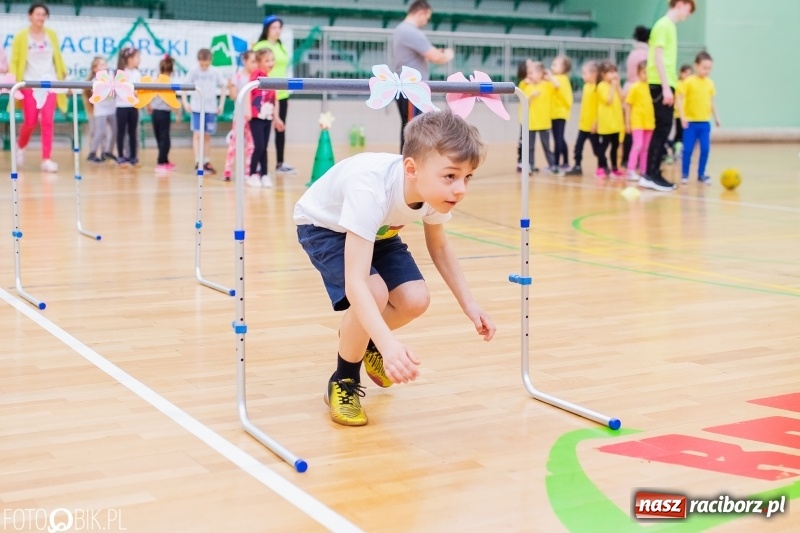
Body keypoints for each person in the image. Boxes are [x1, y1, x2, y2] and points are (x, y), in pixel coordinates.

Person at [294, 110, 496, 426]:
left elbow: (439, 246)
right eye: (451, 176)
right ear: (411, 169)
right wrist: (389, 345)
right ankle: (343, 380)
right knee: (371, 293)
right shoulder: (371, 189)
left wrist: (470, 305)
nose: (460, 189)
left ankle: (364, 337)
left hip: (379, 230)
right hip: (324, 227)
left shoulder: (433, 191)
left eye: (467, 177)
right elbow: (356, 283)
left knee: (416, 299)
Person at [639, 0, 696, 192]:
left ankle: (651, 173)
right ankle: (651, 174)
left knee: (663, 128)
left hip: (665, 82)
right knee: (662, 128)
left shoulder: (668, 26)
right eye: (689, 10)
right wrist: (665, 87)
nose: (688, 15)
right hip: (660, 83)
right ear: (681, 3)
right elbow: (658, 57)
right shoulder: (664, 25)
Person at [10, 2, 67, 172]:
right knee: (30, 121)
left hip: (49, 84)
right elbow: (15, 60)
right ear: (30, 16)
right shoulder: (21, 36)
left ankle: (46, 159)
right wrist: (13, 78)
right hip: (29, 84)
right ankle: (20, 146)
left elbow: (57, 56)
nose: (41, 17)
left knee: (48, 121)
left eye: (43, 15)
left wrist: (63, 72)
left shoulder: (51, 35)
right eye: (38, 14)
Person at [392, 0, 454, 151]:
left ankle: (409, 160)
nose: (427, 21)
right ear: (421, 13)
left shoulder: (401, 30)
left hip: (405, 86)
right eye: (427, 17)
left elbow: (422, 54)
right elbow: (436, 57)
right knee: (414, 127)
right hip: (411, 88)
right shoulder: (411, 32)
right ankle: (410, 161)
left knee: (411, 126)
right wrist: (448, 54)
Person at [253, 15, 295, 175]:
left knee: (281, 128)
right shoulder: (260, 46)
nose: (278, 31)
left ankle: (280, 163)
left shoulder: (280, 45)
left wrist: (285, 94)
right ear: (267, 29)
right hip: (265, 94)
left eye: (279, 27)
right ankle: (257, 165)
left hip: (282, 93)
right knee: (261, 130)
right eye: (274, 27)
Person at [678, 51, 720, 185]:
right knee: (688, 149)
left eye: (709, 68)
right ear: (696, 66)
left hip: (704, 123)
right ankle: (685, 174)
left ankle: (701, 174)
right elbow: (679, 98)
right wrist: (682, 117)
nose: (707, 71)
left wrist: (716, 117)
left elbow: (711, 101)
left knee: (706, 149)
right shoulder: (688, 82)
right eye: (704, 67)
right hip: (690, 123)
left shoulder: (710, 83)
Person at [182, 48, 227, 174]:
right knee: (197, 134)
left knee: (207, 135)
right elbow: (184, 85)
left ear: (210, 61)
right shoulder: (193, 71)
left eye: (206, 64)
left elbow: (223, 85)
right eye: (202, 64)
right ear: (198, 61)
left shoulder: (214, 71)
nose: (204, 67)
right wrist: (185, 102)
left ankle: (206, 161)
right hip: (197, 107)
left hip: (210, 107)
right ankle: (198, 162)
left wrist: (221, 104)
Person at [246, 48, 284, 188]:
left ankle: (265, 174)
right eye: (267, 60)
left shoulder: (270, 78)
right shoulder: (256, 75)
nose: (271, 63)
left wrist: (277, 118)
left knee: (265, 147)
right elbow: (248, 92)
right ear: (259, 62)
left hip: (267, 117)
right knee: (259, 146)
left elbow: (275, 100)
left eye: (272, 60)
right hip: (256, 117)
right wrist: (247, 111)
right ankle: (251, 174)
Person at [517, 60, 561, 175]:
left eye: (532, 73)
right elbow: (524, 102)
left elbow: (557, 85)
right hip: (531, 122)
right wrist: (531, 96)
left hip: (544, 122)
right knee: (530, 147)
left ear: (541, 73)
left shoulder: (547, 85)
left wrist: (549, 76)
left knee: (546, 146)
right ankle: (531, 166)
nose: (529, 75)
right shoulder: (525, 85)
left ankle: (553, 165)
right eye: (529, 73)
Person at [223, 50, 256, 181]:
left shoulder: (256, 77)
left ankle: (248, 171)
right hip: (240, 116)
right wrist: (231, 87)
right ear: (244, 61)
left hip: (253, 116)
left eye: (256, 62)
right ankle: (227, 170)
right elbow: (233, 96)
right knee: (234, 144)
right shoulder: (237, 77)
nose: (255, 64)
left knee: (251, 145)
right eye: (252, 61)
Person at [621, 25, 650, 168]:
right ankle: (634, 162)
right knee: (635, 130)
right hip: (637, 90)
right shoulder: (647, 54)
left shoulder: (633, 53)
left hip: (628, 87)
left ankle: (627, 159)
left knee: (630, 132)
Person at [565, 61, 600, 176]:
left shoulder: (597, 88)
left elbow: (599, 108)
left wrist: (595, 123)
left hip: (593, 126)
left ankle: (602, 166)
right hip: (583, 125)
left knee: (597, 149)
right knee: (578, 147)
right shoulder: (586, 87)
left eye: (584, 73)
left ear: (594, 73)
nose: (582, 76)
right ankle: (577, 166)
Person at [624, 61, 655, 182]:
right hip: (637, 122)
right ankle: (630, 170)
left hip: (649, 122)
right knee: (637, 145)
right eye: (644, 72)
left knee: (646, 148)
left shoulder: (652, 87)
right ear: (638, 73)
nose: (646, 75)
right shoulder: (635, 87)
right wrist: (627, 122)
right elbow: (628, 105)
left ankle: (643, 170)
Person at [84, 56, 116, 164]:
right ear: (95, 69)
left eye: (105, 64)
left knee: (115, 131)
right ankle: (92, 153)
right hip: (100, 110)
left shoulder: (111, 76)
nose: (104, 67)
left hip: (111, 108)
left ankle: (107, 151)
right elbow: (101, 94)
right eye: (101, 65)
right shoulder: (94, 81)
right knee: (100, 132)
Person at [595, 62, 624, 179]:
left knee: (615, 146)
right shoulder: (601, 86)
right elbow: (608, 100)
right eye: (610, 72)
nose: (614, 75)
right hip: (606, 123)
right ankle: (600, 167)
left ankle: (614, 168)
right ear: (603, 74)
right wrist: (613, 86)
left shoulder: (615, 85)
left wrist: (618, 86)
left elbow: (622, 98)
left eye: (615, 72)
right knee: (604, 146)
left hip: (616, 122)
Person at [115, 47, 141, 168]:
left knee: (133, 132)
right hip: (121, 106)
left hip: (133, 106)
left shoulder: (137, 73)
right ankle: (120, 155)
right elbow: (119, 90)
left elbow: (138, 90)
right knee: (121, 132)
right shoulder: (120, 72)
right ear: (129, 59)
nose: (139, 60)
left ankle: (133, 156)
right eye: (137, 57)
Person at [151, 55, 177, 174]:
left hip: (155, 112)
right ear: (171, 70)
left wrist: (148, 106)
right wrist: (177, 112)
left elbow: (147, 93)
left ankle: (165, 160)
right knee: (164, 138)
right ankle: (161, 162)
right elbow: (170, 99)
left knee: (159, 137)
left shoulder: (155, 80)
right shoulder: (169, 82)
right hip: (164, 113)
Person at [550, 55, 573, 170]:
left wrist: (549, 76)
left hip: (559, 113)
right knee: (560, 138)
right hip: (556, 113)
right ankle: (565, 162)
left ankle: (556, 163)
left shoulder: (561, 78)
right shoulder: (559, 78)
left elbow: (556, 84)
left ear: (564, 68)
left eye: (555, 65)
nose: (552, 67)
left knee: (558, 138)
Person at [665, 64, 693, 163]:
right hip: (678, 114)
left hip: (686, 114)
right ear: (681, 73)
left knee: (680, 135)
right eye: (686, 73)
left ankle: (674, 151)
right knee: (679, 135)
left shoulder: (689, 85)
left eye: (690, 74)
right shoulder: (679, 84)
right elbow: (677, 99)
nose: (687, 76)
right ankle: (667, 146)